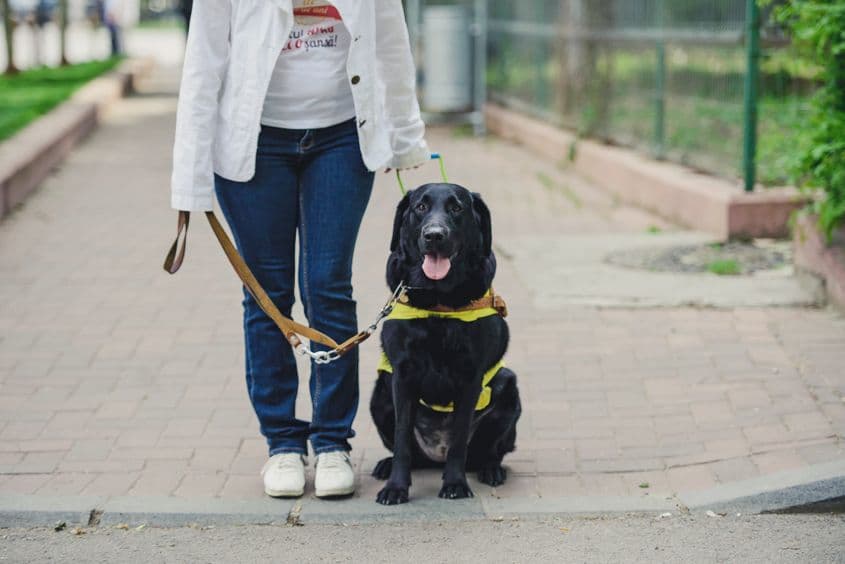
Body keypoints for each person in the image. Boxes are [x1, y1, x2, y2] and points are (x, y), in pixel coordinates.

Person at [170, 0, 429, 499]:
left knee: (328, 285)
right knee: (267, 295)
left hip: (342, 139)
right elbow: (203, 64)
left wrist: (405, 137)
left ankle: (332, 442)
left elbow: (391, 44)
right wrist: (190, 181)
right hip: (253, 143)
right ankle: (283, 444)